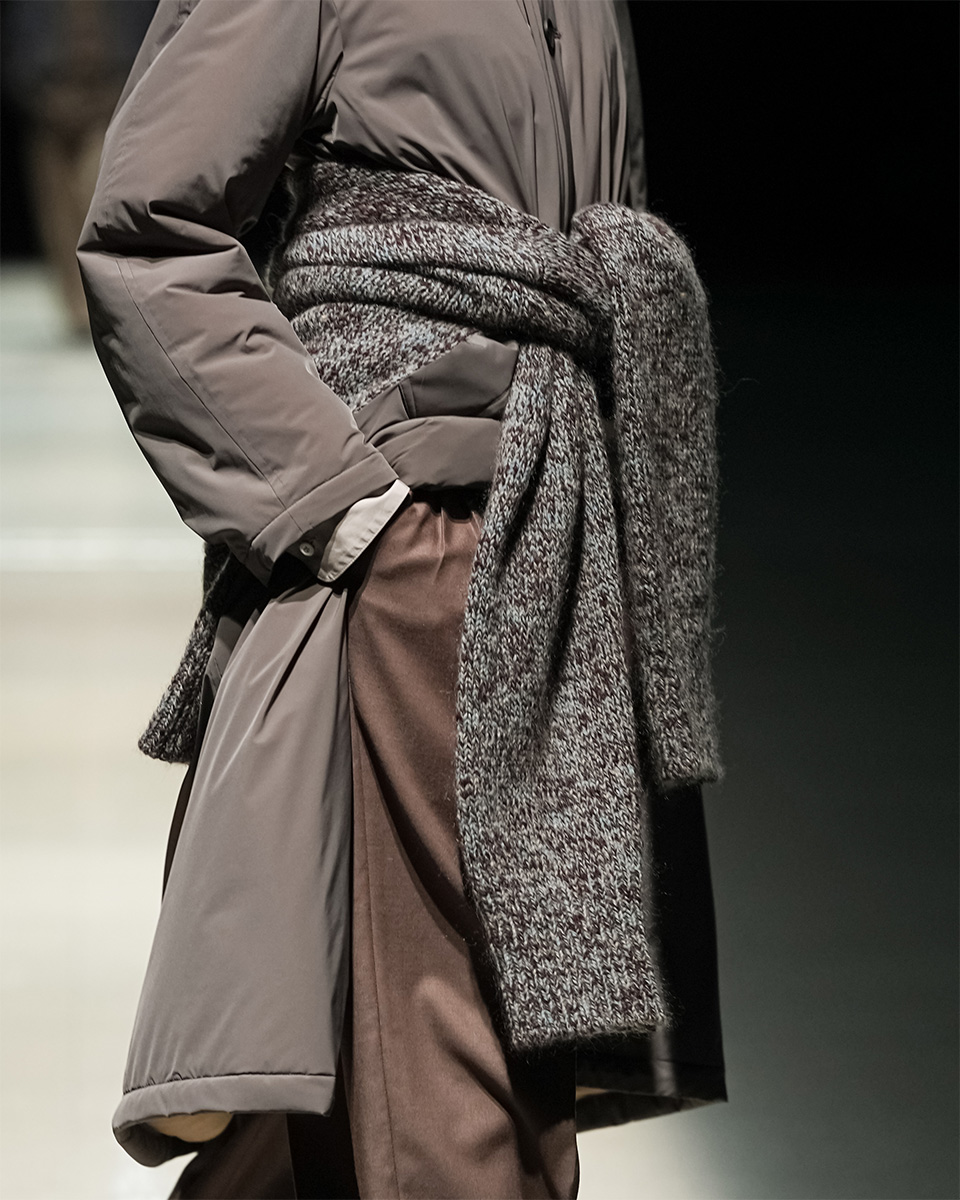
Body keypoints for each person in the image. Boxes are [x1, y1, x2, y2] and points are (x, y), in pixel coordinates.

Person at [77, 3, 728, 1197]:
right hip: (412, 554)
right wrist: (334, 504)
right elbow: (150, 228)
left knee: (373, 1108)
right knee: (456, 1111)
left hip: (556, 539)